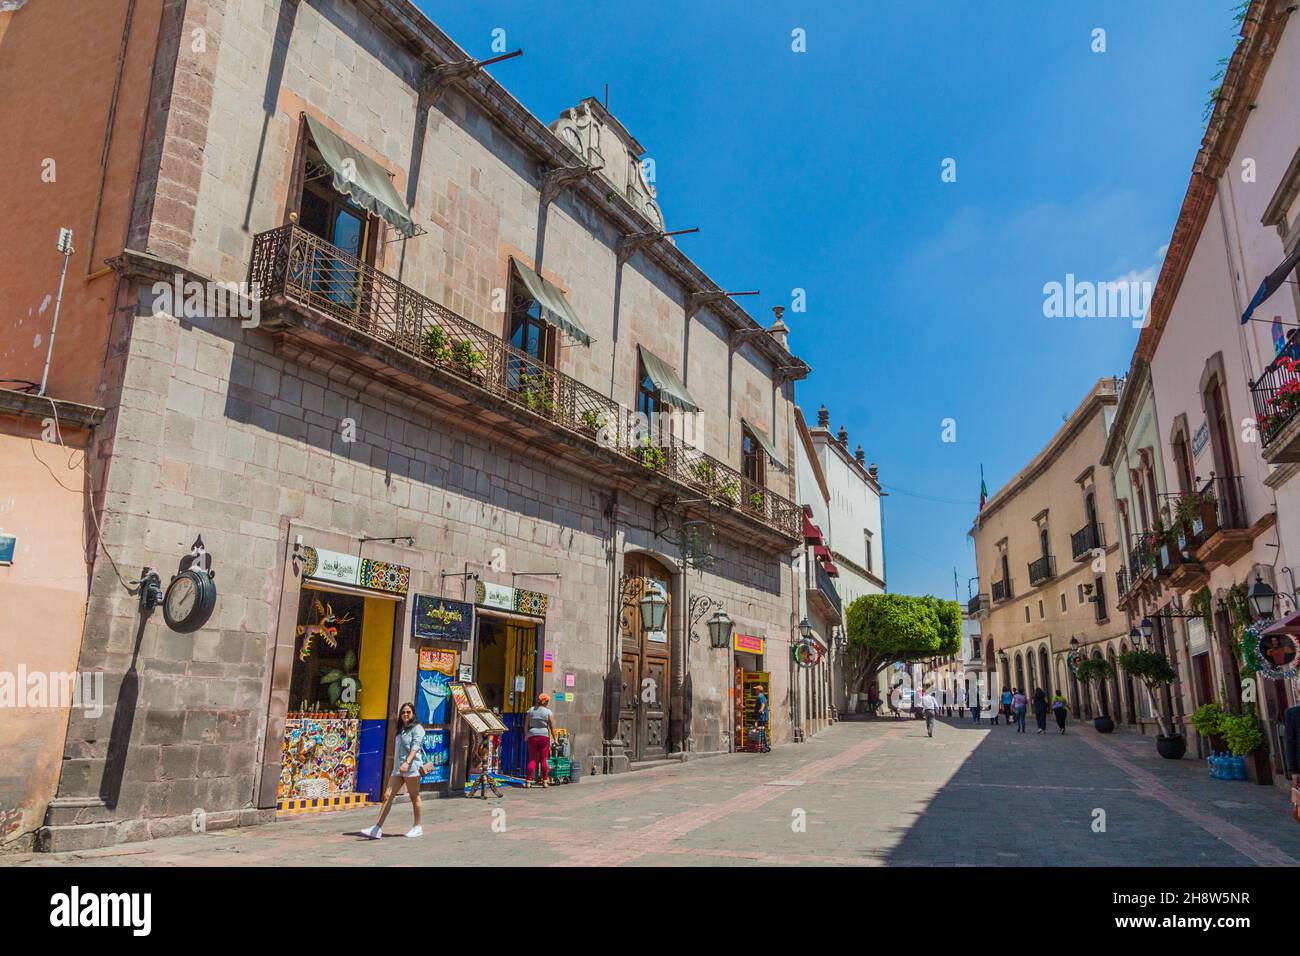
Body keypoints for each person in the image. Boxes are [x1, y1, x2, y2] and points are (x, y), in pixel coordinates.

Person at [363, 702, 425, 839]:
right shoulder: (401, 730)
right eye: (403, 712)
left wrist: (407, 762)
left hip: (411, 768)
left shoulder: (418, 729)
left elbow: (415, 747)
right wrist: (399, 766)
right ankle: (377, 828)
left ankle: (417, 826)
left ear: (413, 713)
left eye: (408, 712)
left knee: (414, 797)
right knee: (387, 796)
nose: (406, 715)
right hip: (398, 769)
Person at [525, 693, 556, 788]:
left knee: (532, 760)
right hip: (544, 737)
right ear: (545, 702)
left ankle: (528, 781)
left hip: (532, 736)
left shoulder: (530, 710)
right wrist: (555, 739)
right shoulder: (548, 712)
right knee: (543, 760)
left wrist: (526, 735)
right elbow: (552, 727)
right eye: (548, 701)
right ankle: (545, 781)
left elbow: (526, 725)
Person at [754, 684, 771, 752]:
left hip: (761, 717)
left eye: (756, 689)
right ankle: (765, 745)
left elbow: (763, 704)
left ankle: (764, 746)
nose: (755, 691)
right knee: (763, 731)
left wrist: (761, 709)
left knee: (761, 731)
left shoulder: (760, 696)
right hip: (763, 717)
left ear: (759, 690)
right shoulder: (763, 696)